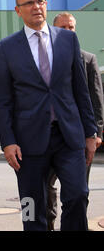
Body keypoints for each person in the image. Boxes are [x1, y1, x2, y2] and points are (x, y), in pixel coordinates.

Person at [0, 0, 97, 231]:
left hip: (68, 136)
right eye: (29, 3)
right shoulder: (6, 48)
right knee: (31, 205)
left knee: (78, 195)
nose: (36, 6)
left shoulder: (68, 39)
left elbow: (82, 91)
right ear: (18, 10)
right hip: (27, 141)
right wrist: (7, 141)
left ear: (46, 5)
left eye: (40, 1)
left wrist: (91, 133)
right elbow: (3, 100)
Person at [44, 12, 104, 230]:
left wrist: (96, 133)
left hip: (77, 137)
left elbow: (96, 99)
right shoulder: (42, 59)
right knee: (44, 187)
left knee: (79, 190)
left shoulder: (87, 59)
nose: (69, 31)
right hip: (45, 137)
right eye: (64, 28)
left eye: (72, 27)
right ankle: (48, 222)